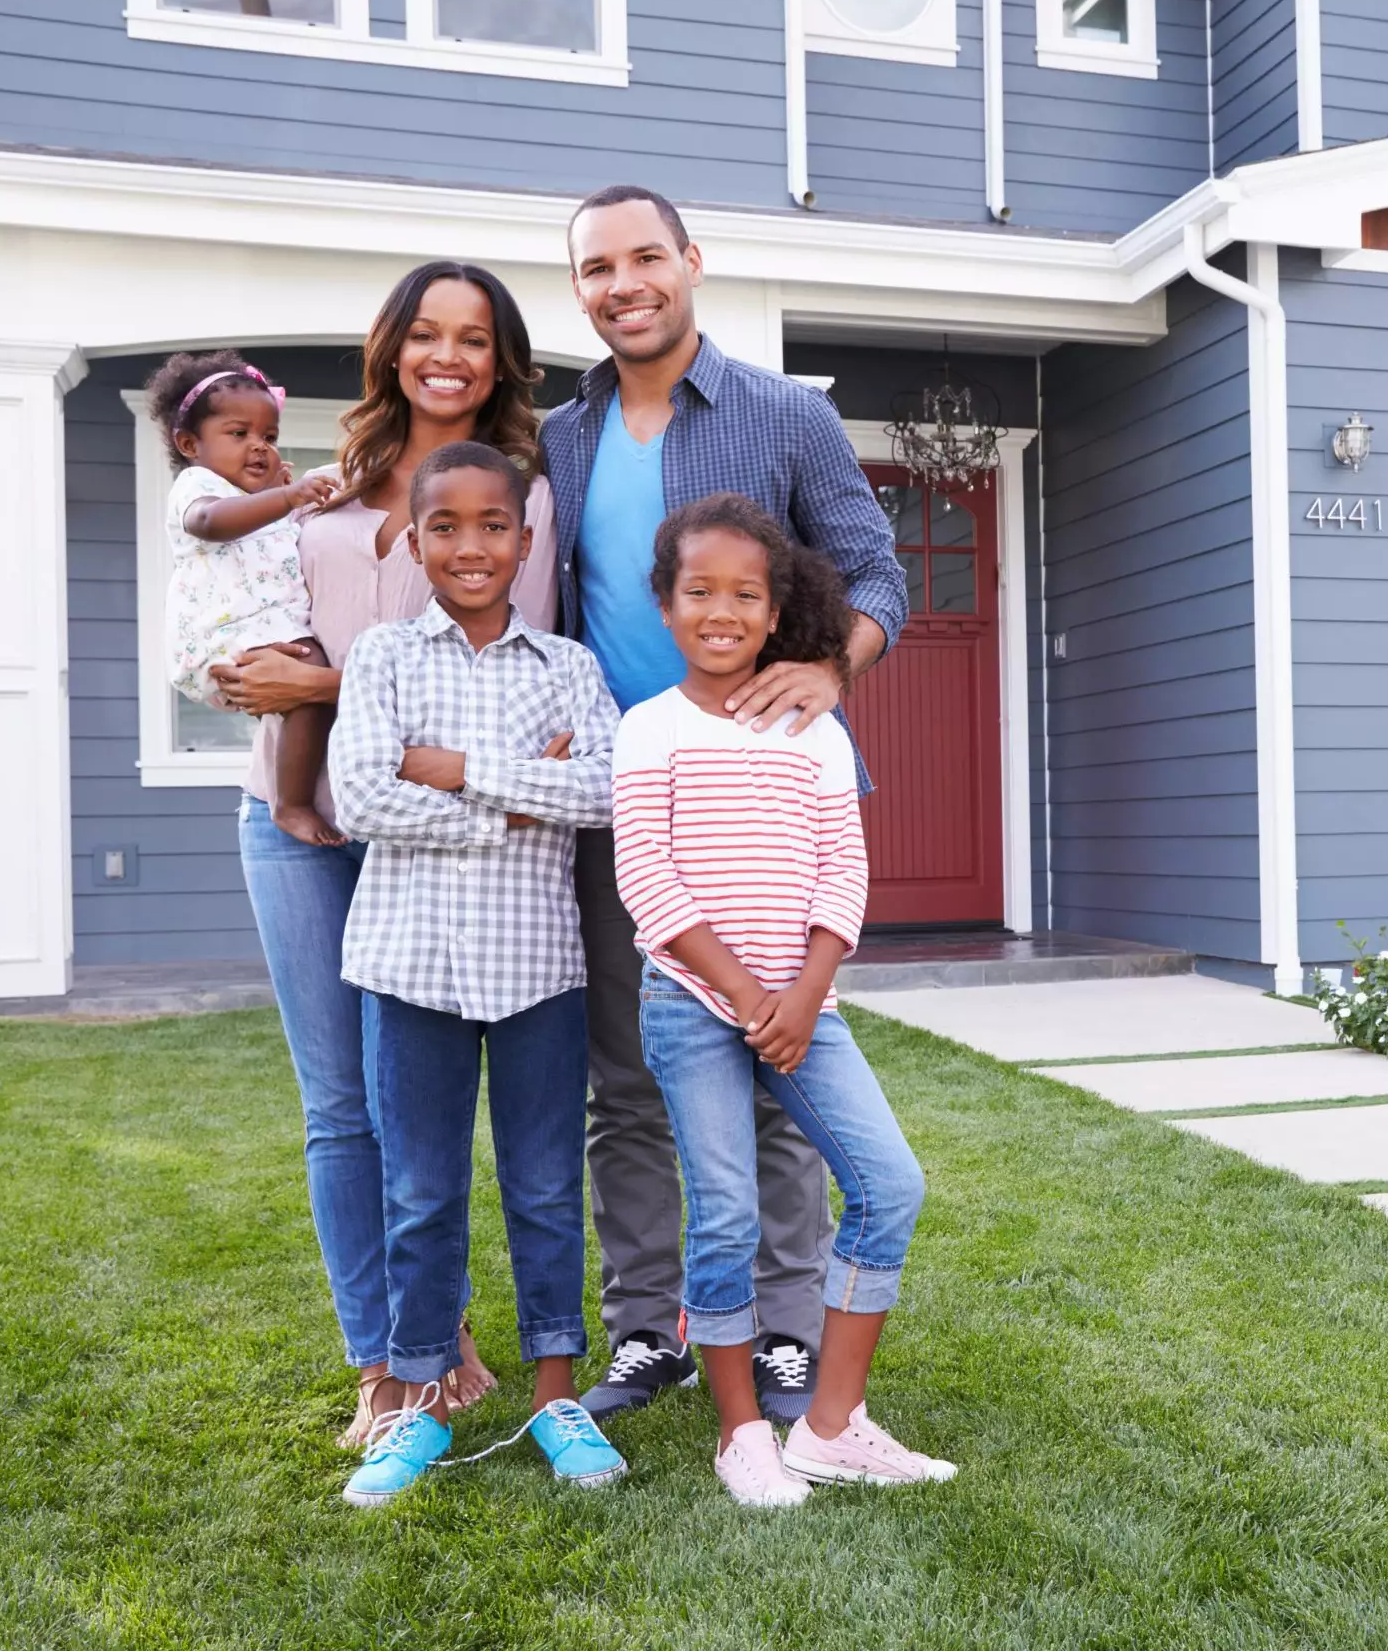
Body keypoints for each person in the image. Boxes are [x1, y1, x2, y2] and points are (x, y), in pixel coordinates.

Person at [541, 184, 909, 1425]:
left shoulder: (784, 415)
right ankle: (649, 1330)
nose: (623, 282)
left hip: (773, 799)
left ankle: (788, 1332)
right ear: (579, 289)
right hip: (629, 802)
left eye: (646, 256)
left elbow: (875, 571)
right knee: (630, 1080)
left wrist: (832, 663)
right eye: (597, 267)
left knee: (781, 1070)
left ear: (691, 262)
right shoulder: (560, 436)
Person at [213, 262, 557, 1448]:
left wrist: (320, 680)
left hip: (433, 839)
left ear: (501, 359)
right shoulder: (316, 487)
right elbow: (248, 637)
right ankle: (389, 1356)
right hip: (295, 818)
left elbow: (509, 688)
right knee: (337, 1107)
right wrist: (251, 674)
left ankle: (433, 1327)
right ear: (391, 348)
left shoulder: (525, 500)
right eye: (424, 333)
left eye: (472, 337)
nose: (446, 355)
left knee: (425, 1106)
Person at [615, 496, 950, 1505]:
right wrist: (749, 994)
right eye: (698, 591)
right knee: (724, 1217)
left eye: (745, 594)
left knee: (888, 1187)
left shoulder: (817, 733)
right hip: (691, 1004)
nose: (721, 610)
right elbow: (649, 882)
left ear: (775, 611)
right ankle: (740, 1433)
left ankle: (831, 1426)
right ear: (665, 607)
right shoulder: (648, 730)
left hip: (806, 1005)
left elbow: (841, 876)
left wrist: (804, 996)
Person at [330, 441, 627, 1506]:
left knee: (547, 1186)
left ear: (525, 537)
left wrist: (453, 774)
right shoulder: (380, 659)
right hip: (409, 967)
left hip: (538, 966)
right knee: (420, 1190)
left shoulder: (570, 670)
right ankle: (417, 1399)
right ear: (415, 541)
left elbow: (602, 792)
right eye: (444, 527)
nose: (469, 546)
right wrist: (513, 800)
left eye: (492, 526)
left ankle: (557, 1395)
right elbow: (361, 797)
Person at [148, 352, 341, 846]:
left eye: (269, 438)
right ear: (191, 444)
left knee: (308, 687)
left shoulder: (259, 499)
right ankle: (290, 804)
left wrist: (277, 497)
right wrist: (287, 496)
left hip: (264, 627)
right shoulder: (198, 487)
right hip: (226, 633)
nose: (258, 447)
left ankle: (297, 793)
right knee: (309, 682)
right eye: (239, 435)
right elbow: (211, 523)